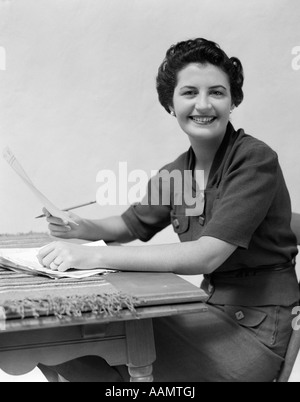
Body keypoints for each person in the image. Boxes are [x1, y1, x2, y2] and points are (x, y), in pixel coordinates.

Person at [37, 38, 299, 382]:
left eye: (217, 93)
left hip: (256, 331)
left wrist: (91, 257)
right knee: (64, 342)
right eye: (189, 92)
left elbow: (206, 256)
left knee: (96, 339)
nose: (203, 105)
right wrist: (80, 227)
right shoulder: (175, 173)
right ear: (170, 105)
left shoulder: (254, 160)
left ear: (232, 101)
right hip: (208, 312)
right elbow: (128, 224)